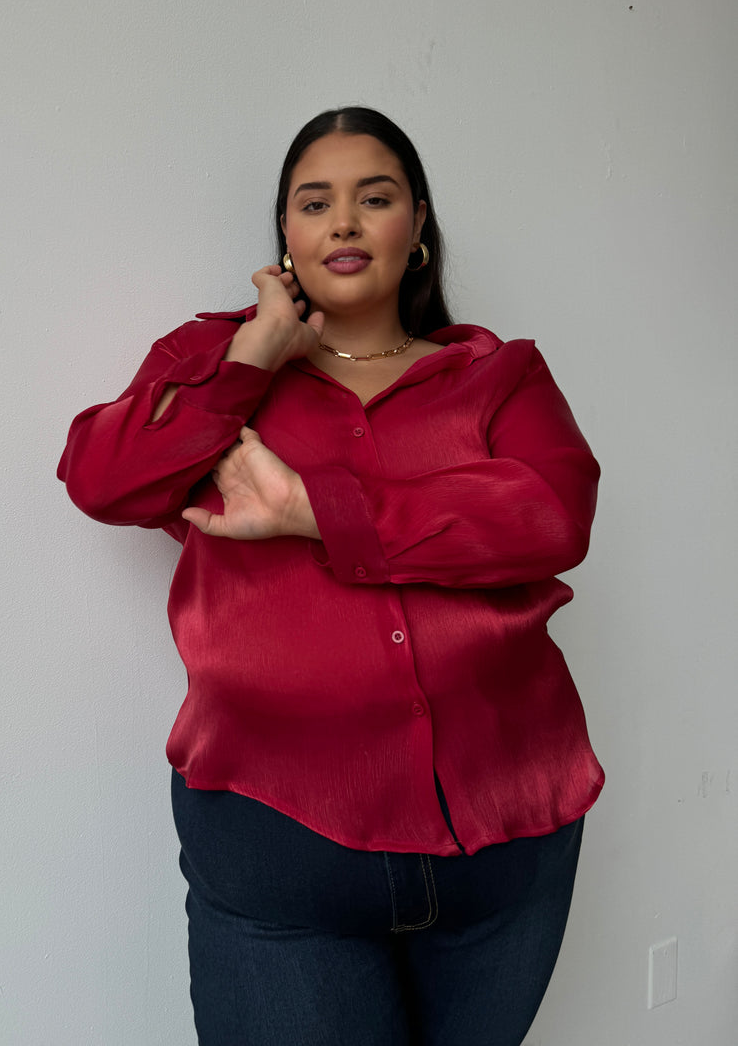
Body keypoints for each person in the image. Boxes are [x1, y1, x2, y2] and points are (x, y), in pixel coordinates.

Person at [57, 107, 603, 1046]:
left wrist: (315, 510)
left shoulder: (497, 375)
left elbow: (552, 514)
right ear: (285, 232)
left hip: (505, 838)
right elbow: (103, 481)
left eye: (374, 198)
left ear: (417, 223)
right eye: (315, 202)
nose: (344, 221)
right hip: (280, 846)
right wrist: (250, 362)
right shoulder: (211, 363)